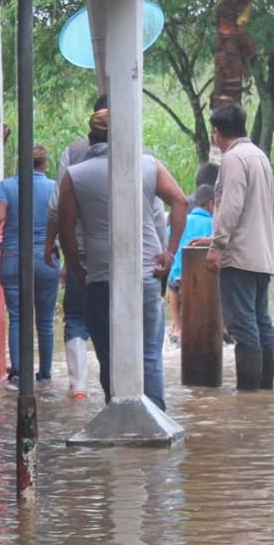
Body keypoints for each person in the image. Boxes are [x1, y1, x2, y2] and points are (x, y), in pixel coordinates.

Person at [57, 109, 189, 411]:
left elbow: (65, 226)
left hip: (100, 279)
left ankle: (117, 417)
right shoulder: (148, 165)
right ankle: (156, 420)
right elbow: (181, 202)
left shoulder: (74, 176)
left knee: (108, 356)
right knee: (150, 355)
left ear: (91, 139)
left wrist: (75, 264)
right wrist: (169, 252)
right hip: (146, 275)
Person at [0, 147, 61, 384]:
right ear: (43, 164)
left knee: (18, 318)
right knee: (45, 320)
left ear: (19, 163)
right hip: (46, 257)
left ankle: (19, 372)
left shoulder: (6, 186)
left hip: (13, 257)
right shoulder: (54, 187)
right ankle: (45, 374)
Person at [204, 103, 274, 392]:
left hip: (240, 257)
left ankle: (248, 395)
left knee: (243, 325)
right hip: (262, 254)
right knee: (261, 322)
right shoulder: (259, 155)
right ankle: (264, 390)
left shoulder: (234, 159)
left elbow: (231, 205)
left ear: (218, 133)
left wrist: (217, 246)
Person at [44, 94, 108, 399]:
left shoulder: (73, 152)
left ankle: (78, 387)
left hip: (81, 252)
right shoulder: (143, 155)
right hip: (127, 257)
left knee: (76, 316)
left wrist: (49, 244)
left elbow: (57, 206)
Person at [166, 184, 216, 343]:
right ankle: (220, 328)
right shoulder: (214, 224)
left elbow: (166, 239)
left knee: (172, 284)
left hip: (179, 277)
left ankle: (177, 327)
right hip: (205, 279)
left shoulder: (182, 221)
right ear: (211, 204)